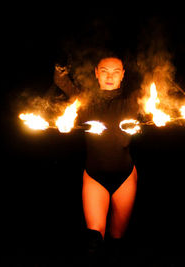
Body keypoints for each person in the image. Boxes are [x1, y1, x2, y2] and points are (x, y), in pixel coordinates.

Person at [54, 54, 141, 265]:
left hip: (125, 177)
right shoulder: (84, 101)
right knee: (94, 241)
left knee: (118, 241)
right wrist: (60, 67)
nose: (109, 76)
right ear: (96, 73)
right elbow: (61, 81)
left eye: (115, 72)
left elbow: (156, 88)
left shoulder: (134, 101)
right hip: (94, 177)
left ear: (122, 75)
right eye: (104, 71)